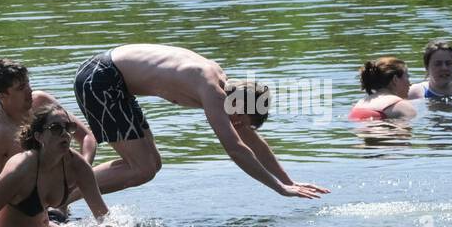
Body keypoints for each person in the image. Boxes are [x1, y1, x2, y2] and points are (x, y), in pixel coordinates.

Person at [72, 44, 327, 198]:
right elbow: (236, 148)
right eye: (239, 119)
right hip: (100, 79)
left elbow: (250, 140)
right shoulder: (212, 90)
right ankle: (58, 197)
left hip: (109, 77)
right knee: (142, 167)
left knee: (151, 165)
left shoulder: (225, 88)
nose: (236, 125)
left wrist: (288, 181)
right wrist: (279, 189)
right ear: (237, 104)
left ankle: (61, 194)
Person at [0, 105, 124, 227]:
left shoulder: (77, 165)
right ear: (39, 136)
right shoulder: (20, 169)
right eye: (55, 128)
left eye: (69, 127)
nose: (65, 134)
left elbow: (102, 215)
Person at [0, 58, 96, 212]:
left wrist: (78, 175)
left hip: (59, 200)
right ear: (2, 97)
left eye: (28, 83)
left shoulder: (41, 102)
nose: (29, 91)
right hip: (24, 213)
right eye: (21, 88)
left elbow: (87, 138)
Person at [348, 57, 418, 120]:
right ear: (395, 79)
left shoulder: (359, 104)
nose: (410, 84)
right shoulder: (400, 106)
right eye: (407, 77)